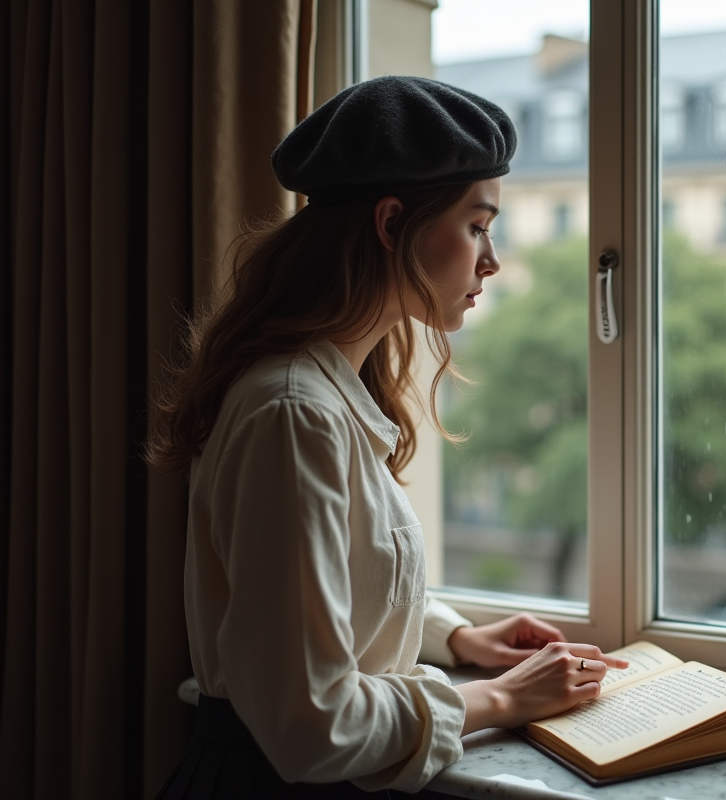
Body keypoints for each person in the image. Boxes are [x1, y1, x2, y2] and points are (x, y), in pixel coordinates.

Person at [147, 76, 628, 798]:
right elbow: (311, 722)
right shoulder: (292, 412)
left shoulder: (326, 390)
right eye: (476, 225)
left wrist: (460, 639)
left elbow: (336, 588)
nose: (490, 260)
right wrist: (503, 698)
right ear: (392, 222)